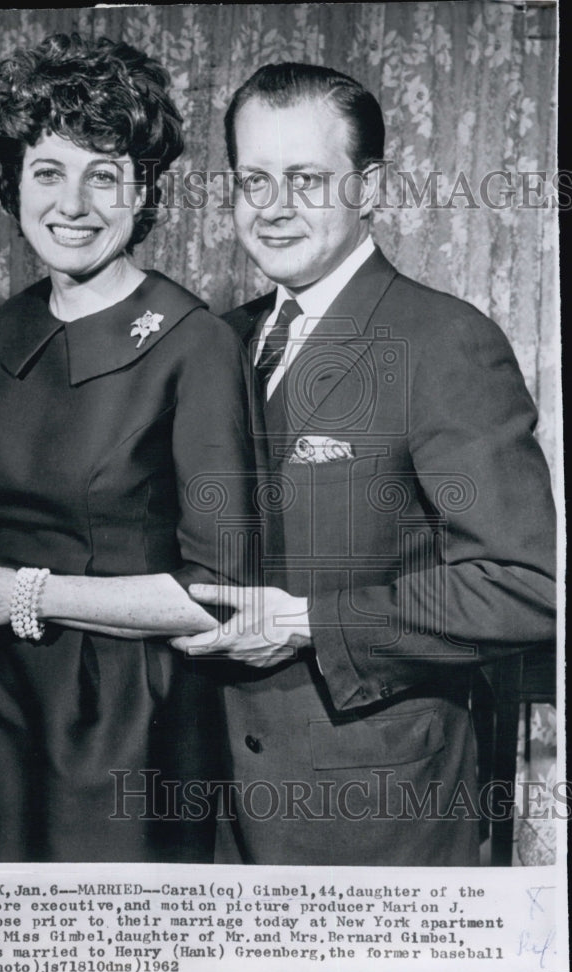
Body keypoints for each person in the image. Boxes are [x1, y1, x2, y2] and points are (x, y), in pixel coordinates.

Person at [173, 63, 557, 865]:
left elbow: (525, 588)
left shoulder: (443, 341)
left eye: (307, 180)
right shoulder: (214, 341)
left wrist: (308, 623)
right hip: (212, 810)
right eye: (253, 181)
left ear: (369, 187)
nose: (274, 207)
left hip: (375, 815)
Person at [0, 32, 259, 863]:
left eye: (104, 175)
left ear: (143, 191)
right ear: (13, 184)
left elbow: (220, 597)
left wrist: (22, 593)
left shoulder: (194, 344)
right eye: (48, 172)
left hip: (135, 730)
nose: (73, 203)